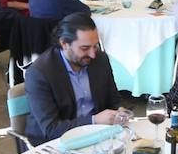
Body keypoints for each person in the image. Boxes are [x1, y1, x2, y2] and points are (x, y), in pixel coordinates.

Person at [24, 13, 124, 146]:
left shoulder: (100, 59)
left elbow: (113, 99)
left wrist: (120, 111)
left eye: (95, 46)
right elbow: (51, 129)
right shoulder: (39, 73)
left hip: (97, 138)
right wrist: (94, 120)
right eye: (85, 48)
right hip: (55, 144)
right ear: (64, 44)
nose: (93, 54)